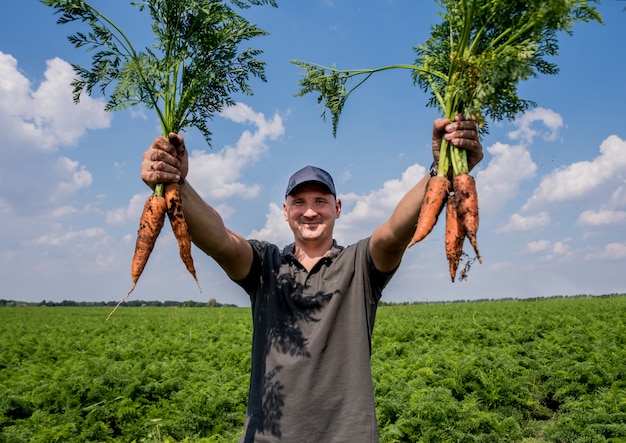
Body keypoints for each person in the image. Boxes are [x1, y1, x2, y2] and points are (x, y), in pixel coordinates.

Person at [141, 116, 483, 442]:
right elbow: (219, 240)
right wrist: (178, 183)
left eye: (320, 201)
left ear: (338, 208)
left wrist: (440, 172)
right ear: (285, 210)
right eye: (299, 201)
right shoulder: (266, 265)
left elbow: (393, 232)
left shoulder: (359, 266)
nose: (309, 211)